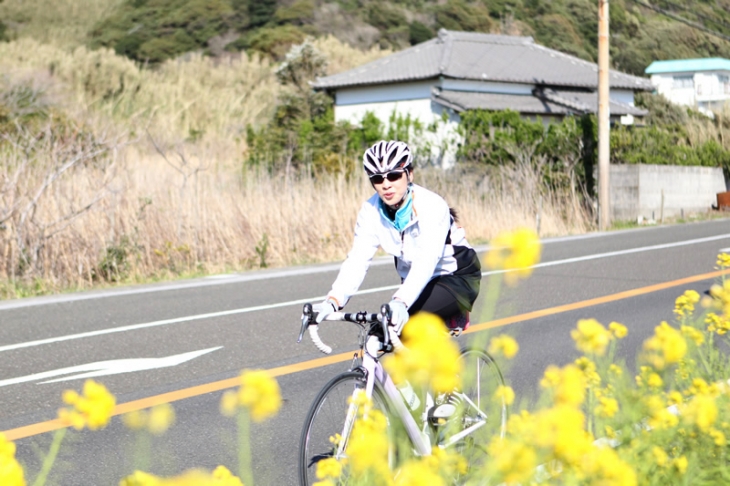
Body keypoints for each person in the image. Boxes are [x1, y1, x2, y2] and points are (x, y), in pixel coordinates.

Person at [309, 140, 482, 335]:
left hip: (454, 277)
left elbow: (426, 261)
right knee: (378, 334)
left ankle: (449, 328)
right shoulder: (370, 210)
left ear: (409, 174)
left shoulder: (432, 206)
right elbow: (358, 259)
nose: (386, 185)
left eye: (393, 176)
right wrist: (333, 300)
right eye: (377, 179)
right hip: (413, 281)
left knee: (404, 326)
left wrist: (400, 301)